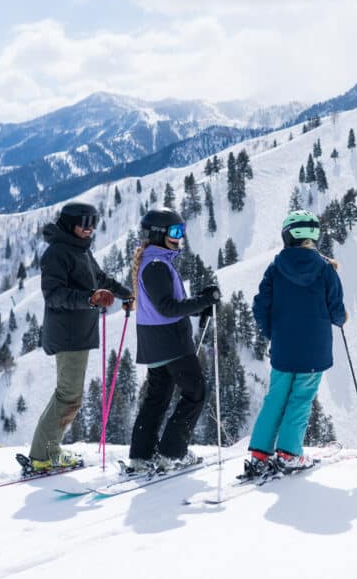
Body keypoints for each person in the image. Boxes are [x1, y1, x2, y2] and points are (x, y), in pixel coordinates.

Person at [28, 202, 132, 472]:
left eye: (93, 223)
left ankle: (48, 450)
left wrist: (126, 293)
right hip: (68, 334)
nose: (89, 229)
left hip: (78, 332)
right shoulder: (57, 253)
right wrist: (89, 298)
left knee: (69, 394)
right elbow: (54, 295)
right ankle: (43, 455)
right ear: (68, 223)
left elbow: (100, 278)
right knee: (69, 395)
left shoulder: (79, 249)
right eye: (83, 223)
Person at [245, 209, 346, 477]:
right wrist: (340, 318)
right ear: (314, 238)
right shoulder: (326, 270)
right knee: (301, 399)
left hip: (283, 348)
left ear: (287, 236)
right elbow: (337, 311)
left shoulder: (275, 269)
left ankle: (259, 454)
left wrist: (273, 332)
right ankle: (289, 454)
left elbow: (259, 307)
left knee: (275, 397)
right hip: (314, 351)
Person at [127, 208, 220, 472]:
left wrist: (200, 305)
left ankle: (142, 455)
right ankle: (171, 453)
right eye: (175, 232)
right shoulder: (156, 265)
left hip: (155, 340)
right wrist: (204, 301)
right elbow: (168, 307)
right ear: (158, 234)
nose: (180, 237)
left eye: (182, 231)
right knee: (196, 392)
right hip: (170, 341)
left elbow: (168, 305)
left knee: (158, 396)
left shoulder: (154, 261)